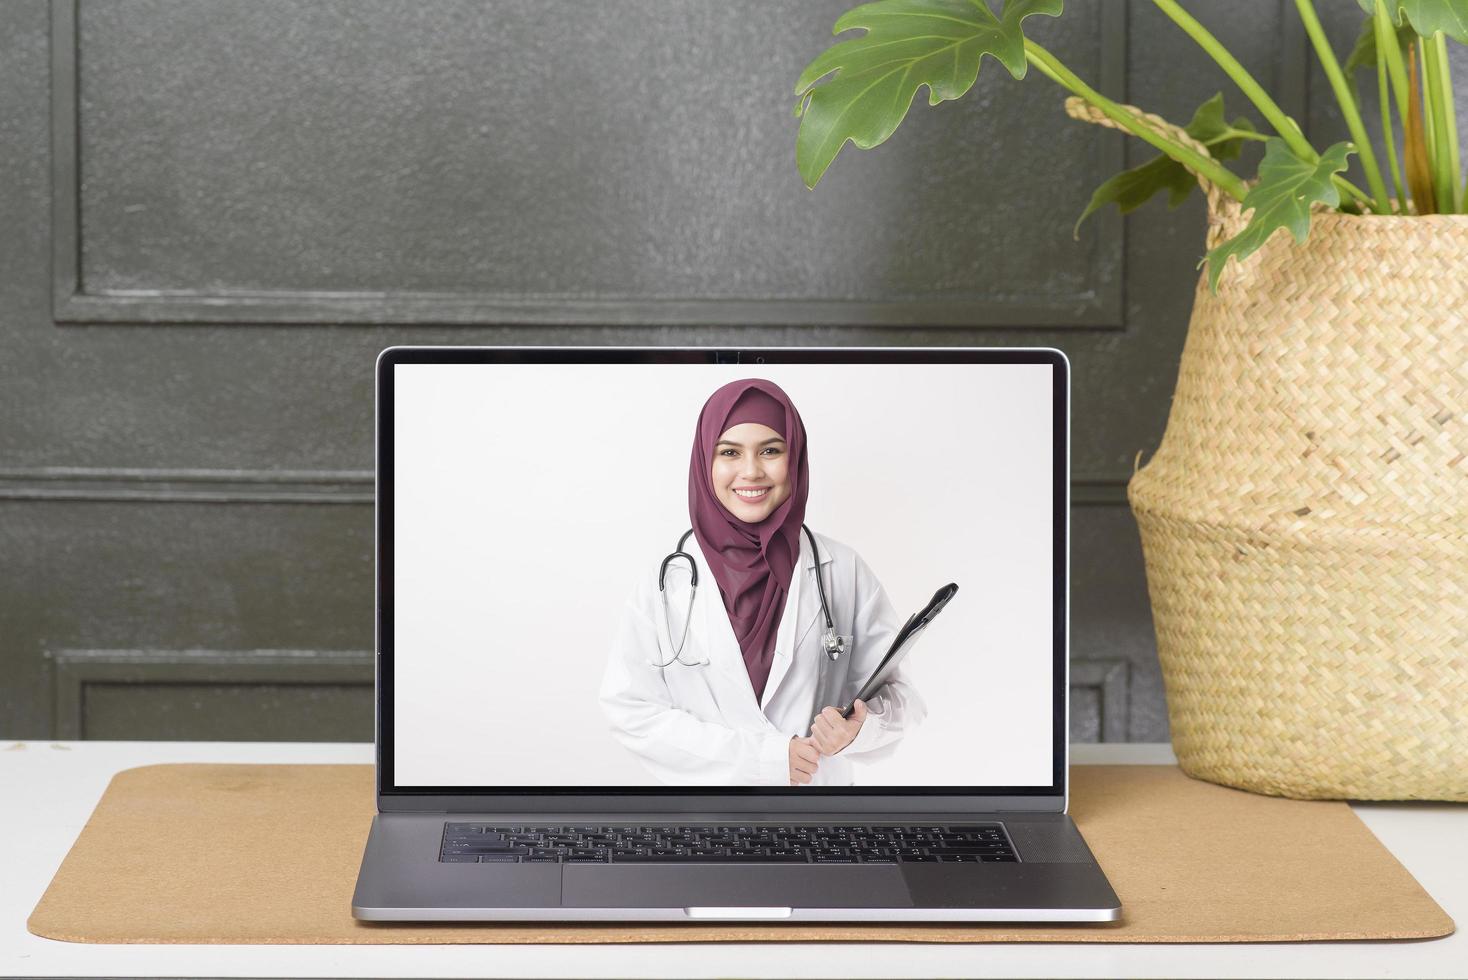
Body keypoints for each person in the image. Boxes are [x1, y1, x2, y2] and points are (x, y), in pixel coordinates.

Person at [599, 378, 924, 786]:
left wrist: (859, 730)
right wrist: (762, 759)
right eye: (730, 452)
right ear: (705, 462)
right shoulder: (667, 581)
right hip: (705, 826)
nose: (751, 471)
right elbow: (630, 709)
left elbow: (901, 696)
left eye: (771, 450)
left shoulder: (841, 569)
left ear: (796, 458)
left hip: (817, 828)